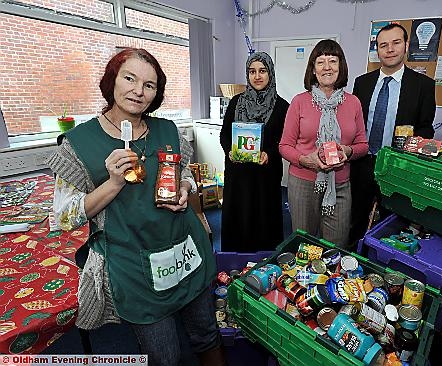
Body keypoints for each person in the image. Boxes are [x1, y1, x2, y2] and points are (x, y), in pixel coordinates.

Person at [47, 48, 224, 366]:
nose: (139, 91)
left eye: (150, 85)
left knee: (206, 335)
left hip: (187, 253)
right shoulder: (79, 144)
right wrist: (113, 183)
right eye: (129, 78)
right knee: (165, 357)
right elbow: (62, 217)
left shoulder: (168, 130)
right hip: (136, 268)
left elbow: (184, 171)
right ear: (112, 80)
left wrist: (184, 187)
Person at [349, 23, 436, 246]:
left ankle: (384, 262)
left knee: (393, 221)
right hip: (363, 163)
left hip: (398, 167)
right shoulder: (362, 83)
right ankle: (353, 258)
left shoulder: (423, 85)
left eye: (396, 43)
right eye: (383, 45)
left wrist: (412, 147)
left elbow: (426, 127)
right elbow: (353, 123)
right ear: (377, 50)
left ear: (406, 45)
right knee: (356, 217)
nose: (389, 49)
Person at [279, 39, 369, 249]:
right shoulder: (299, 102)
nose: (327, 67)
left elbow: (363, 144)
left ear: (341, 66)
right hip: (303, 184)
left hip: (340, 184)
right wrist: (304, 160)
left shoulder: (353, 102)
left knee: (336, 246)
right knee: (303, 244)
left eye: (333, 61)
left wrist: (348, 150)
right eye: (320, 62)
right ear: (313, 69)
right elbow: (284, 146)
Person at [220, 52, 289, 252]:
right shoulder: (235, 102)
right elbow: (224, 134)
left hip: (265, 177)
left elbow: (285, 141)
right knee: (238, 217)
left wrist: (269, 153)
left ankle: (264, 263)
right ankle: (235, 260)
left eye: (262, 71)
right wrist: (229, 150)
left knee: (263, 220)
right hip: (238, 175)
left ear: (271, 74)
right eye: (252, 71)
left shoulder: (283, 106)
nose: (257, 76)